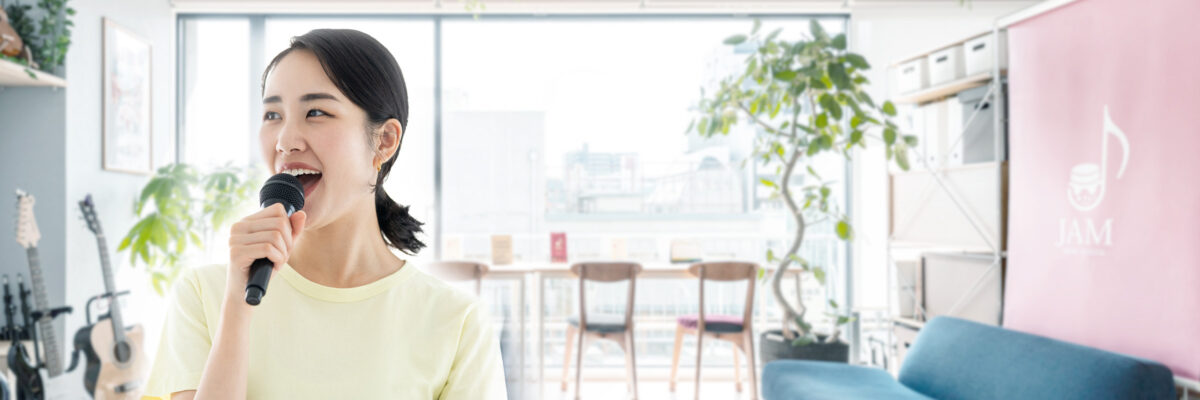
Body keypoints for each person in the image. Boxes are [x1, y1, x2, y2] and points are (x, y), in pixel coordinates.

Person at [141, 28, 506, 400]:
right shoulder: (205, 294)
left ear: (385, 140)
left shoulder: (457, 323)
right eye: (272, 114)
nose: (285, 141)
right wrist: (238, 306)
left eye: (316, 112)